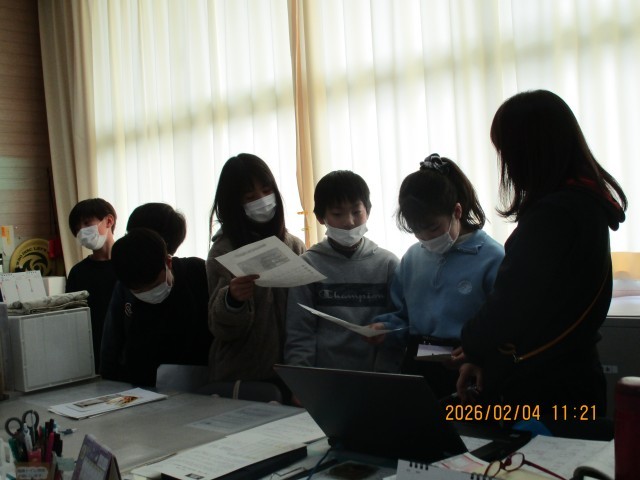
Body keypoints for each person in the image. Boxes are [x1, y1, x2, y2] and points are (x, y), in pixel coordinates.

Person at [457, 90, 627, 438]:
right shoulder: (586, 203)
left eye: (505, 151)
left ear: (526, 153)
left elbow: (510, 304)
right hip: (574, 376)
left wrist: (471, 345)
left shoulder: (554, 215)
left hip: (544, 390)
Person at [370, 154, 504, 399]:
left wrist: (477, 354)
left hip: (468, 367)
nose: (426, 238)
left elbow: (505, 324)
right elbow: (403, 316)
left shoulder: (492, 257)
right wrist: (385, 329)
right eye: (417, 231)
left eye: (433, 228)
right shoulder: (413, 258)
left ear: (457, 211)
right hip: (419, 363)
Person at [285, 170, 402, 372]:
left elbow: (399, 323)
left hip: (378, 378)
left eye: (356, 212)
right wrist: (302, 378)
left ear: (368, 211)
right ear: (321, 217)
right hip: (324, 378)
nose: (349, 222)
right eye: (337, 214)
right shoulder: (307, 266)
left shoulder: (388, 264)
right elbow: (299, 332)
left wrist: (386, 375)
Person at [206, 153, 305, 391]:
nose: (262, 200)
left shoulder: (293, 245)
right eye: (250, 197)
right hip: (243, 374)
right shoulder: (223, 251)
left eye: (267, 191)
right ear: (234, 204)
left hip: (292, 369)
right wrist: (232, 299)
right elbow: (220, 328)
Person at [101, 228, 212, 386]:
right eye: (139, 291)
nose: (148, 293)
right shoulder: (125, 287)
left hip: (204, 382)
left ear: (168, 262)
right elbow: (113, 342)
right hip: (146, 387)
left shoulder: (198, 272)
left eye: (154, 285)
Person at [66, 198, 118, 372]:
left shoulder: (128, 263)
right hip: (92, 350)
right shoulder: (78, 272)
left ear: (109, 221)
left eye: (87, 223)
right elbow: (72, 317)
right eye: (77, 228)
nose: (82, 230)